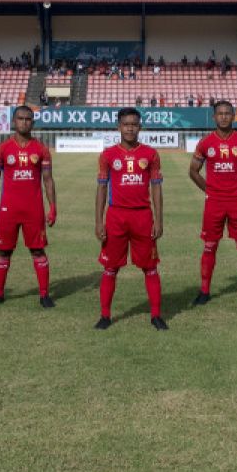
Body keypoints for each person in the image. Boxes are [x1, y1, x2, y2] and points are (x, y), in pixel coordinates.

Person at [94, 108, 166, 330]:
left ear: (140, 127)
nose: (130, 128)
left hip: (143, 216)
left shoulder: (150, 154)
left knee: (150, 267)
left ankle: (155, 315)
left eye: (134, 124)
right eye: (126, 124)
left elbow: (156, 188)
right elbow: (101, 189)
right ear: (118, 127)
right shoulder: (107, 155)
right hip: (116, 216)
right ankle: (105, 315)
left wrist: (159, 219)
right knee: (110, 268)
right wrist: (98, 221)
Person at [188, 101, 237, 306]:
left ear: (233, 116)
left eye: (227, 113)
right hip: (214, 203)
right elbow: (193, 171)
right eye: (219, 114)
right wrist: (210, 190)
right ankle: (204, 291)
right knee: (210, 246)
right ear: (214, 117)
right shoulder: (205, 143)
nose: (223, 117)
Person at [0, 105, 57, 308]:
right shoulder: (2, 149)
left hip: (33, 210)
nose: (24, 122)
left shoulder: (41, 149)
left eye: (28, 119)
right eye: (20, 118)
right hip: (8, 210)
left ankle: (44, 295)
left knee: (38, 251)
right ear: (14, 122)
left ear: (32, 122)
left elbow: (48, 180)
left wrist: (53, 207)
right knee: (4, 251)